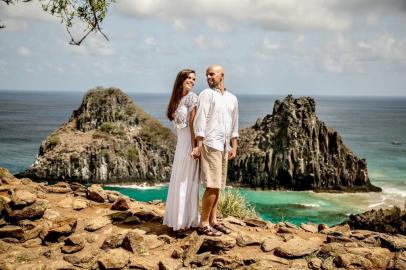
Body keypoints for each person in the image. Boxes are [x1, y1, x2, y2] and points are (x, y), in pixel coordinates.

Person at [192, 64, 239, 236]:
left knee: (218, 186)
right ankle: (203, 223)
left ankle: (214, 221)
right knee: (211, 185)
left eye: (212, 74)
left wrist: (234, 146)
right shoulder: (206, 94)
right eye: (207, 75)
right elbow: (200, 120)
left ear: (222, 75)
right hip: (210, 144)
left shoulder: (232, 98)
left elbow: (235, 123)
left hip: (224, 145)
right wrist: (199, 145)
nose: (209, 78)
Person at [163, 69, 200, 231]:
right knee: (179, 179)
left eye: (193, 79)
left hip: (188, 143)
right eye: (189, 78)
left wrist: (195, 147)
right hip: (181, 143)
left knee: (186, 179)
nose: (192, 81)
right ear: (181, 79)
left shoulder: (193, 97)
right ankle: (176, 220)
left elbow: (193, 125)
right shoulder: (177, 99)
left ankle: (185, 221)